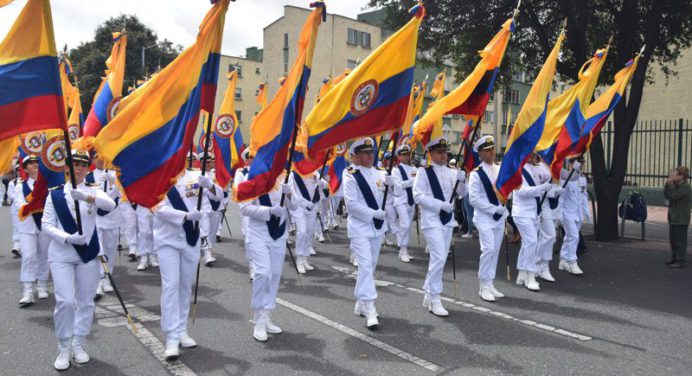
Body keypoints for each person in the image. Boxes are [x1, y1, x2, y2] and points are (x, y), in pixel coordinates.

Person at [42, 150, 116, 370]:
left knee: (85, 301)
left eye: (84, 165)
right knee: (65, 301)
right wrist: (67, 238)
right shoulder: (54, 194)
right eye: (74, 164)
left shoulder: (93, 191)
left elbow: (109, 205)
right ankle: (63, 345)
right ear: (66, 167)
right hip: (62, 255)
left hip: (87, 255)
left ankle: (79, 343)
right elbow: (46, 225)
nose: (79, 168)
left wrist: (85, 197)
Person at [152, 165, 223, 360]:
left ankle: (181, 329)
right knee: (171, 286)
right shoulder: (159, 177)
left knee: (185, 286)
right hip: (168, 240)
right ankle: (171, 337)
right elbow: (157, 208)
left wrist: (210, 186)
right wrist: (184, 216)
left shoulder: (196, 175)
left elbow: (219, 198)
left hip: (190, 239)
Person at [413, 137, 466, 316]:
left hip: (447, 220)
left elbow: (461, 194)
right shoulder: (424, 172)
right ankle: (435, 297)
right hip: (432, 220)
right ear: (431, 154)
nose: (443, 155)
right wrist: (440, 205)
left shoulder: (452, 171)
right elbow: (418, 196)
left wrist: (462, 180)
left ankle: (428, 292)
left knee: (440, 259)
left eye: (445, 152)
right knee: (438, 257)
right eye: (439, 152)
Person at [239, 177, 295, 341]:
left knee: (275, 274)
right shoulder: (251, 176)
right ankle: (258, 319)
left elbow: (294, 206)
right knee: (263, 273)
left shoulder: (286, 176)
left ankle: (266, 315)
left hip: (278, 233)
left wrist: (290, 194)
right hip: (258, 234)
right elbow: (244, 208)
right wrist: (269, 211)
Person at [343, 137, 390, 330]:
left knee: (370, 265)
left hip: (377, 228)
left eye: (371, 152)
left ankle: (360, 303)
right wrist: (373, 213)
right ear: (356, 157)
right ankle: (370, 307)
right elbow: (351, 205)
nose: (370, 155)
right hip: (360, 228)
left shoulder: (381, 173)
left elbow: (390, 198)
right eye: (365, 153)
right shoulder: (350, 174)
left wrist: (393, 185)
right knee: (365, 265)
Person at [468, 136, 509, 302]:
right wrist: (495, 209)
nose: (491, 152)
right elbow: (474, 199)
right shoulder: (476, 174)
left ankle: (490, 282)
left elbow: (507, 191)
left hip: (499, 217)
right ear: (480, 153)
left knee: (496, 250)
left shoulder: (500, 169)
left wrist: (506, 204)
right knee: (488, 249)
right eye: (487, 150)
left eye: (492, 149)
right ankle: (483, 285)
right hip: (484, 217)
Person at [15, 154, 51, 306]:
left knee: (44, 255)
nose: (35, 165)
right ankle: (28, 290)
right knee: (29, 257)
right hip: (28, 226)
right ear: (25, 169)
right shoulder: (19, 186)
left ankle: (42, 285)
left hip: (44, 224)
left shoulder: (47, 185)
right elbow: (21, 207)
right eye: (30, 163)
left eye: (37, 162)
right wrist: (36, 199)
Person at [512, 153, 552, 291]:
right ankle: (530, 275)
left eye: (534, 152)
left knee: (527, 244)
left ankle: (521, 272)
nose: (533, 155)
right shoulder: (517, 169)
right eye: (530, 152)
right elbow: (521, 191)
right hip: (522, 212)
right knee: (532, 241)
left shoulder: (536, 167)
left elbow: (550, 176)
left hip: (534, 212)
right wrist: (541, 188)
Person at [89, 153, 121, 298]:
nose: (101, 159)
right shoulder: (89, 176)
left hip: (112, 216)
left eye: (103, 156)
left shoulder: (117, 175)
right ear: (93, 160)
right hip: (96, 217)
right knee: (98, 250)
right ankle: (98, 281)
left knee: (110, 250)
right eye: (97, 157)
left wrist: (114, 179)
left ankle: (108, 278)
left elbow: (125, 188)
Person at [288, 169, 325, 273]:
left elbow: (326, 185)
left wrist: (320, 182)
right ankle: (299, 259)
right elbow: (293, 194)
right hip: (299, 207)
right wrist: (306, 203)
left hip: (312, 207)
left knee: (309, 232)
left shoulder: (314, 172)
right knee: (302, 232)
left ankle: (304, 259)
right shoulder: (293, 174)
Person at [557, 158, 585, 275]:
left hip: (578, 213)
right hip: (567, 213)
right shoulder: (565, 179)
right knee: (574, 236)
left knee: (569, 237)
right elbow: (561, 198)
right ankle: (573, 261)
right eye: (578, 163)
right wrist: (559, 214)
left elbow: (583, 196)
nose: (581, 166)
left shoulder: (582, 179)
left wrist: (586, 211)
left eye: (582, 163)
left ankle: (563, 259)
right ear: (571, 164)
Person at [391, 144, 417, 263]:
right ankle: (404, 249)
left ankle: (402, 250)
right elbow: (398, 185)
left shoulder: (414, 169)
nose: (406, 157)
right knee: (405, 225)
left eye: (407, 154)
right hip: (401, 200)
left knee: (407, 226)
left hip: (412, 201)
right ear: (399, 156)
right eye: (403, 155)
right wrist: (412, 181)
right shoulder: (396, 169)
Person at [664, 166, 691, 268]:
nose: (672, 176)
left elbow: (675, 196)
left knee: (681, 240)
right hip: (673, 216)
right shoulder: (674, 185)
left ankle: (681, 260)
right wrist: (668, 184)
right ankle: (674, 257)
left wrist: (670, 184)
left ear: (681, 176)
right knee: (673, 239)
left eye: (674, 175)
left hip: (681, 217)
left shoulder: (686, 187)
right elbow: (666, 195)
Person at [234, 148, 254, 279]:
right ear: (246, 159)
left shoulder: (265, 171)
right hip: (248, 207)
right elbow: (238, 190)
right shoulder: (241, 172)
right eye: (251, 157)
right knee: (249, 237)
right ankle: (253, 266)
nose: (253, 159)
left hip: (262, 208)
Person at [198, 153, 221, 267]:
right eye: (205, 162)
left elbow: (223, 190)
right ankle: (207, 253)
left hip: (216, 206)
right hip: (204, 207)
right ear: (201, 163)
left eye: (210, 162)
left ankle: (209, 248)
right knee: (205, 230)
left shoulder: (217, 174)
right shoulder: (197, 174)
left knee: (213, 231)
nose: (208, 164)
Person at [8, 162, 21, 257]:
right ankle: (16, 246)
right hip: (15, 209)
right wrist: (19, 198)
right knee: (17, 227)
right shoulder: (12, 182)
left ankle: (22, 246)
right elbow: (11, 195)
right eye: (18, 170)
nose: (20, 172)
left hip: (26, 209)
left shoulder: (29, 182)